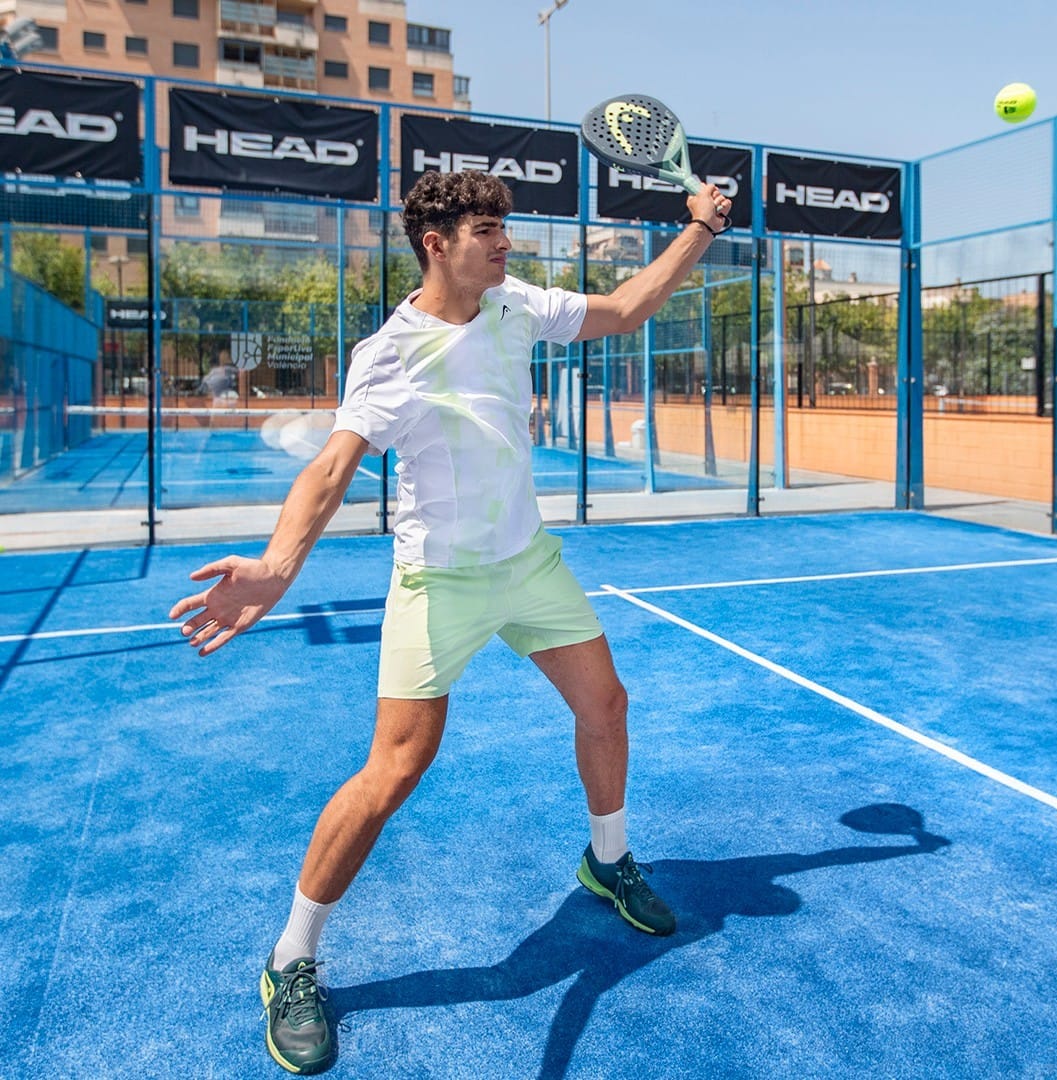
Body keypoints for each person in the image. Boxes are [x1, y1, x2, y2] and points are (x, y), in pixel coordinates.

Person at [169, 169, 733, 1075]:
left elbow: (626, 308)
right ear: (436, 244)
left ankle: (609, 861)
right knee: (395, 770)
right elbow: (330, 470)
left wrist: (698, 228)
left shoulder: (516, 305)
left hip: (530, 565)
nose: (505, 244)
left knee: (607, 705)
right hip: (441, 582)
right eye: (486, 231)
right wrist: (276, 567)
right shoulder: (389, 353)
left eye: (504, 228)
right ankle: (292, 960)